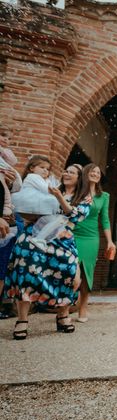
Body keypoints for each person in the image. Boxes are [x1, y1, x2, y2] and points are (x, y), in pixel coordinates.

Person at [6, 157, 91, 339]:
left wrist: (58, 198)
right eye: (66, 170)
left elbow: (75, 217)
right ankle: (22, 320)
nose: (66, 173)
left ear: (80, 178)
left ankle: (62, 315)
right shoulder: (46, 187)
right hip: (35, 234)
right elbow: (27, 206)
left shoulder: (84, 198)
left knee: (68, 274)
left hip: (63, 238)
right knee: (25, 269)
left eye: (72, 172)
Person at [72, 163, 115, 323]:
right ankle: (65, 306)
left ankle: (83, 306)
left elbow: (104, 219)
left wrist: (110, 241)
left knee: (86, 272)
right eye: (92, 171)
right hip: (72, 233)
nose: (95, 174)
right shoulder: (77, 191)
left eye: (98, 172)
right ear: (85, 173)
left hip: (91, 237)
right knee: (70, 270)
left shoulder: (104, 196)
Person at [0, 124, 22, 320]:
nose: (5, 140)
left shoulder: (7, 163)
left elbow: (12, 189)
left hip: (7, 216)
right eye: (2, 135)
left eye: (8, 137)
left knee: (1, 265)